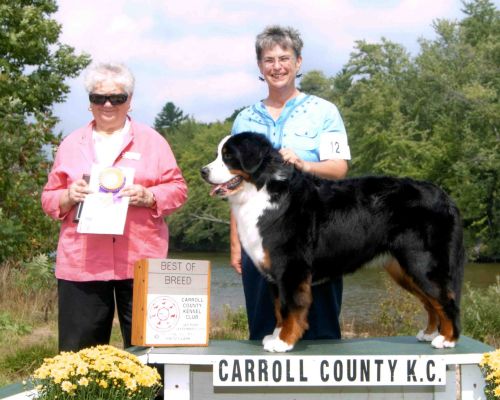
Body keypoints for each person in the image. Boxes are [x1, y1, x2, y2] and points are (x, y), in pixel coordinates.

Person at [42, 62, 188, 352]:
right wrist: (69, 195)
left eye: (117, 98)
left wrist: (150, 196)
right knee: (78, 359)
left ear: (130, 101)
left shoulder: (154, 142)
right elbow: (49, 198)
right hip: (82, 266)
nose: (107, 104)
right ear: (89, 103)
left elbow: (179, 189)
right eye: (98, 98)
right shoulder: (71, 144)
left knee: (151, 354)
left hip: (141, 261)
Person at [231, 25, 351, 341]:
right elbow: (237, 186)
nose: (277, 66)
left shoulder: (325, 112)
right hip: (258, 238)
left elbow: (339, 169)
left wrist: (303, 163)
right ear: (260, 66)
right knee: (263, 328)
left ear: (298, 63)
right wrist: (235, 242)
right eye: (269, 59)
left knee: (320, 333)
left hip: (316, 236)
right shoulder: (244, 119)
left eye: (285, 58)